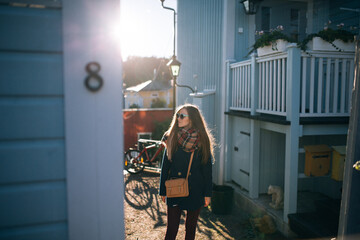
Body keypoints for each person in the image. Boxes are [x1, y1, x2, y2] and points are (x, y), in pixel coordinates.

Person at [159, 104, 214, 240]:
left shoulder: (202, 140)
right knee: (171, 229)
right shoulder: (171, 137)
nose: (178, 118)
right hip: (174, 187)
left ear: (192, 119)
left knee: (190, 230)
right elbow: (165, 166)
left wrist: (207, 193)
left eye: (182, 116)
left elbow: (207, 169)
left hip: (195, 189)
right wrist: (162, 190)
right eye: (177, 115)